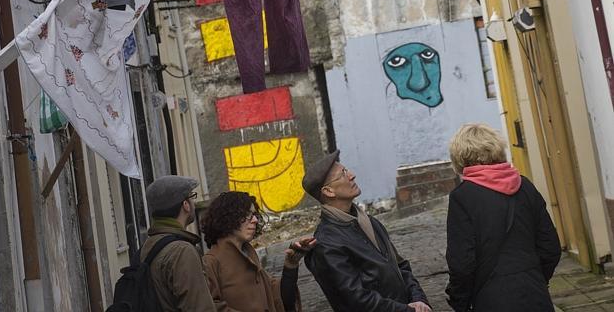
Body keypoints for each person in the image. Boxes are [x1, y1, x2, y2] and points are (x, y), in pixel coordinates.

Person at [445, 123, 562, 312]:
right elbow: (550, 247)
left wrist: (460, 302)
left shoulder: (462, 197)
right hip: (535, 294)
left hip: (491, 298)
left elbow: (462, 263)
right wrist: (535, 277)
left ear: (460, 158)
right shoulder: (525, 187)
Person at [302, 150, 431, 312]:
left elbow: (401, 266)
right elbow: (357, 300)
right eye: (342, 174)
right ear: (328, 192)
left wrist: (419, 299)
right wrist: (408, 310)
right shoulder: (327, 244)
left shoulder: (369, 222)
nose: (351, 175)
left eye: (346, 169)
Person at [201, 191, 315, 311]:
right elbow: (210, 307)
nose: (255, 220)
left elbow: (280, 298)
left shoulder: (250, 257)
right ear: (228, 217)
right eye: (247, 214)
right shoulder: (210, 262)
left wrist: (291, 265)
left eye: (255, 215)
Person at [141, 175, 216, 311]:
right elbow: (197, 307)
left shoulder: (149, 244)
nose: (194, 203)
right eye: (192, 197)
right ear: (185, 205)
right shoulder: (182, 250)